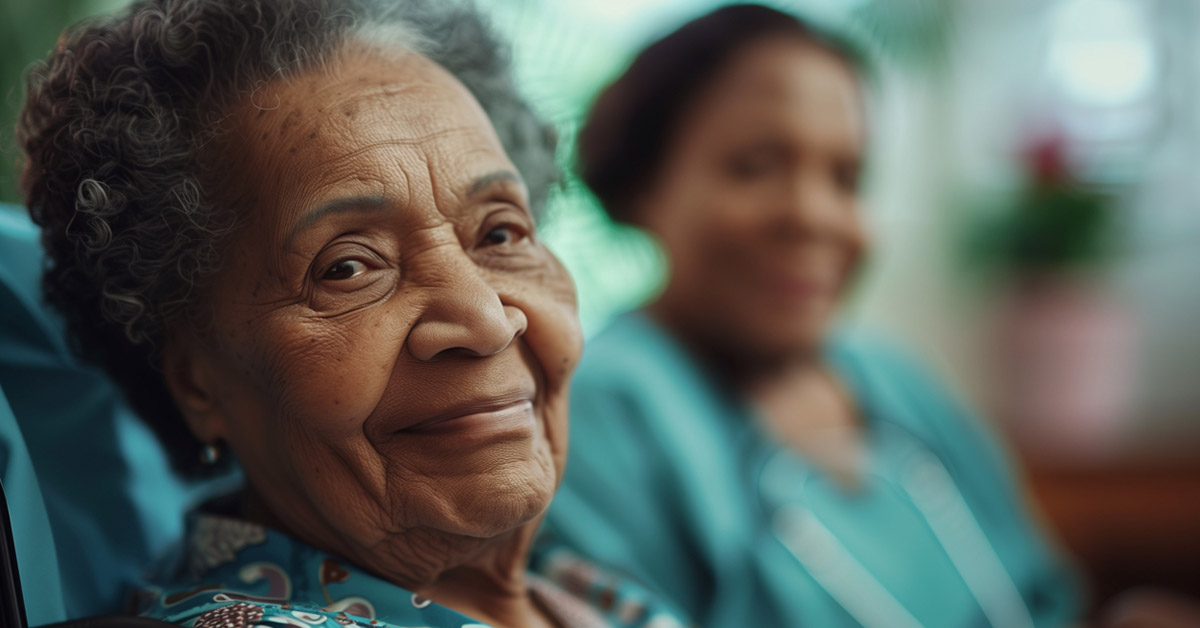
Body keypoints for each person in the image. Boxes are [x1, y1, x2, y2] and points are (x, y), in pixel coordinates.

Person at [15, 1, 687, 627]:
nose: (486, 321)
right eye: (347, 268)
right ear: (196, 379)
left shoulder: (587, 591)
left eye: (500, 233)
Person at [544, 5, 1080, 628]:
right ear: (643, 184)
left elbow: (1046, 598)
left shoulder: (894, 381)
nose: (813, 215)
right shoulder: (597, 416)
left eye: (847, 178)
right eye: (756, 166)